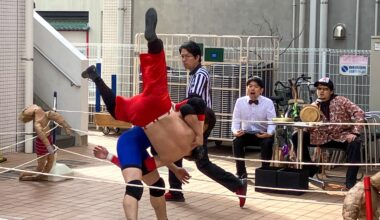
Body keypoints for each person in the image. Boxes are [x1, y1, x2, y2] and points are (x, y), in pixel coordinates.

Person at [81, 8, 206, 219]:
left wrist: (198, 136)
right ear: (188, 156)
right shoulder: (171, 153)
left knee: (155, 185)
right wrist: (110, 156)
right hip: (139, 126)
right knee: (136, 186)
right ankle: (95, 78)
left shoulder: (190, 138)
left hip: (156, 107)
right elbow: (158, 159)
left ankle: (152, 41)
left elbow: (194, 104)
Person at [165, 41, 248, 208]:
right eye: (181, 56)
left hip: (203, 119)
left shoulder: (201, 73)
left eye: (187, 56)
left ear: (197, 57)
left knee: (196, 159)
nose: (183, 60)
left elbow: (194, 98)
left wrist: (176, 106)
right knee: (191, 157)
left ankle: (237, 184)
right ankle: (176, 190)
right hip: (197, 117)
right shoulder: (194, 74)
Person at [292, 77, 364, 190]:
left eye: (325, 89)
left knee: (355, 143)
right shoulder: (314, 105)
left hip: (341, 136)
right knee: (297, 136)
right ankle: (309, 168)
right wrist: (305, 126)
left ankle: (350, 183)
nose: (321, 91)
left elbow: (359, 113)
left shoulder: (341, 100)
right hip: (321, 137)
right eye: (319, 88)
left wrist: (355, 132)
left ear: (331, 91)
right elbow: (308, 124)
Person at [231, 76, 276, 178]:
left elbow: (272, 121)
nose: (252, 89)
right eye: (250, 86)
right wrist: (235, 131)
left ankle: (264, 172)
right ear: (246, 88)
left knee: (268, 142)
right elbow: (236, 120)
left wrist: (268, 133)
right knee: (236, 141)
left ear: (261, 90)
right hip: (246, 133)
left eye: (255, 87)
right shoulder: (240, 101)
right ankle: (241, 172)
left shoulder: (268, 102)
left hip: (262, 133)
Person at [18, 104, 72, 181]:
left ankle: (42, 176)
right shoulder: (37, 124)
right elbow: (44, 139)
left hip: (48, 140)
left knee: (51, 160)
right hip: (42, 144)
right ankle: (24, 174)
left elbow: (57, 117)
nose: (37, 107)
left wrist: (67, 127)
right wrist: (50, 149)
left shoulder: (47, 114)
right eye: (36, 108)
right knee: (39, 168)